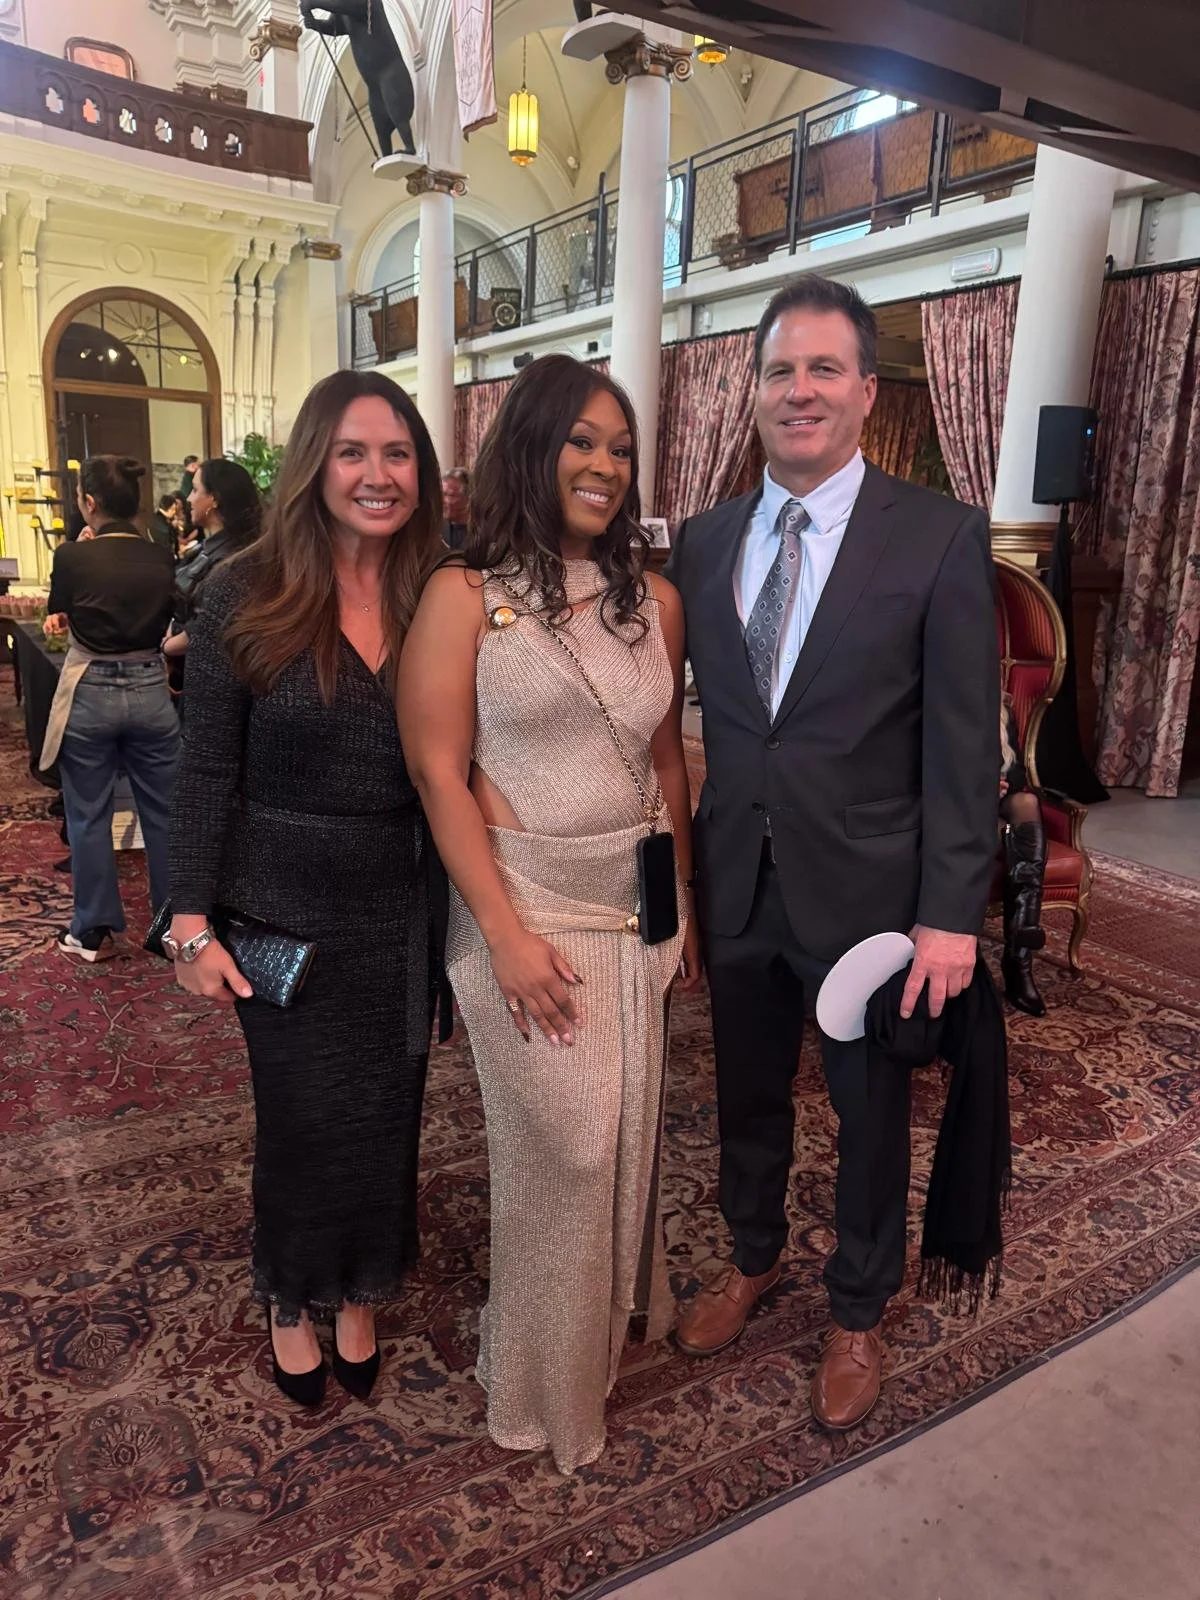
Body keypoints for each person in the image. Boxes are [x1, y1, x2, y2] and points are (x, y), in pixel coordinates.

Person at [666, 274, 999, 1432]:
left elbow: (966, 744)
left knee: (868, 1111)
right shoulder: (704, 544)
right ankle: (752, 1254)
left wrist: (952, 913)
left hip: (872, 897)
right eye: (777, 370)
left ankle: (858, 1304)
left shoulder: (941, 535)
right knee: (744, 1093)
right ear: (751, 392)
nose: (798, 389)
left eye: (822, 368)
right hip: (739, 885)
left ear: (865, 389)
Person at [398, 354, 702, 1474]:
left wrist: (685, 910)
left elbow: (667, 759)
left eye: (620, 448)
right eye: (582, 440)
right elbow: (439, 774)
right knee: (567, 1146)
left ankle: (603, 1339)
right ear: (530, 446)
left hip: (635, 908)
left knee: (625, 1130)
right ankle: (535, 1384)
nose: (605, 465)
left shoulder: (653, 598)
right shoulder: (463, 595)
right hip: (520, 908)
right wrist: (509, 936)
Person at [167, 370, 448, 1408]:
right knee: (300, 1119)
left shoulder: (440, 590)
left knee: (389, 1115)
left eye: (398, 453)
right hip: (278, 908)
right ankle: (292, 1295)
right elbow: (204, 772)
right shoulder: (245, 588)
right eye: (353, 452)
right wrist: (189, 919)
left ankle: (362, 1288)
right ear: (312, 466)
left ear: (422, 469)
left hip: (399, 905)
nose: (378, 475)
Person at [41, 456, 179, 962]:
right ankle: (172, 928)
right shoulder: (162, 556)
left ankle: (93, 930)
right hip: (149, 688)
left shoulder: (72, 557)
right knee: (165, 815)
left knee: (88, 814)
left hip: (91, 689)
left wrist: (77, 553)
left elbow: (61, 608)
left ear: (90, 503)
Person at [163, 458, 263, 670]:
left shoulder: (235, 558)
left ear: (214, 499)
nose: (189, 498)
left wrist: (168, 646)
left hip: (211, 669)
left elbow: (208, 624)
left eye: (195, 490)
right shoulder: (211, 546)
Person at [999, 697, 1048, 1015]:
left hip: (996, 795)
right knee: (986, 828)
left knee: (1027, 804)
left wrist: (1003, 785)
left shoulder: (1001, 706)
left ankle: (1019, 957)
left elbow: (1017, 771)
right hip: (954, 800)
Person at [442, 467, 469, 550]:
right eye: (442, 494)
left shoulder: (484, 533)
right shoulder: (435, 531)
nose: (442, 501)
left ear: (468, 498)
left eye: (449, 495)